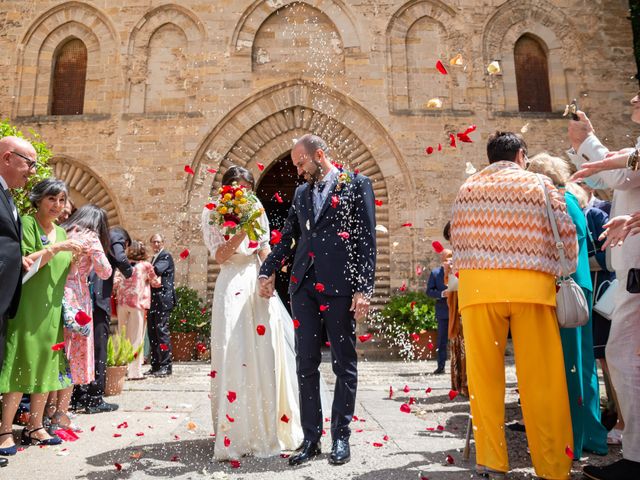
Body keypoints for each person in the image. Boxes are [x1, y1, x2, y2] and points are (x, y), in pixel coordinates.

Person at [450, 132, 576, 479]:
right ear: (522, 155)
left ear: (491, 157)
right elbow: (566, 235)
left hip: (478, 291)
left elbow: (457, 239)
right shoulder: (539, 184)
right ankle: (552, 465)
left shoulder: (468, 188)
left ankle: (492, 460)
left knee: (485, 380)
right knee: (542, 380)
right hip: (530, 287)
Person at [259, 134, 377, 466]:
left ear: (319, 155)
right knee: (305, 364)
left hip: (340, 287)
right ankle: (311, 438)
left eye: (301, 163)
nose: (298, 172)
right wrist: (266, 271)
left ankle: (341, 437)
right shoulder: (301, 193)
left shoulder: (357, 184)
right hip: (303, 288)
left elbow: (366, 240)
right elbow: (287, 239)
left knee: (344, 363)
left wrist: (363, 289)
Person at [202, 166, 303, 461]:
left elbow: (263, 247)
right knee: (233, 351)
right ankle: (236, 432)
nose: (242, 190)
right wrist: (240, 231)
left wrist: (268, 277)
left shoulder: (256, 206)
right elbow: (220, 255)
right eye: (236, 185)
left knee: (263, 351)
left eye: (247, 185)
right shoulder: (212, 211)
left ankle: (267, 428)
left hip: (255, 280)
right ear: (225, 187)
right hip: (231, 281)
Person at [568, 102, 640, 479]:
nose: (631, 100)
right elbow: (605, 177)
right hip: (630, 265)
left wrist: (590, 142)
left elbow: (623, 176)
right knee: (622, 355)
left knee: (622, 354)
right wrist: (585, 145)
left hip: (636, 266)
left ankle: (636, 455)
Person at [527, 153, 608, 459]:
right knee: (582, 364)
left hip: (564, 290)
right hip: (577, 288)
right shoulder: (570, 201)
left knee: (570, 365)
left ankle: (572, 439)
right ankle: (591, 436)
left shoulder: (558, 201)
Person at [0, 178, 84, 454]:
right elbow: (23, 263)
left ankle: (36, 426)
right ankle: (4, 430)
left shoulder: (62, 232)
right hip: (27, 307)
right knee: (19, 363)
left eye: (61, 200)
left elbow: (63, 276)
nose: (57, 206)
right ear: (38, 199)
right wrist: (56, 249)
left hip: (52, 310)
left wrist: (75, 260)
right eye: (51, 199)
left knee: (46, 367)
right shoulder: (27, 224)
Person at [47, 205, 112, 430]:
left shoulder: (62, 230)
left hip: (53, 296)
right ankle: (61, 414)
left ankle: (48, 411)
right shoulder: (90, 236)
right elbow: (105, 271)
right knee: (73, 356)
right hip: (76, 299)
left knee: (56, 354)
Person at [0, 136, 37, 467]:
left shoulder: (9, 197)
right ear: (8, 158)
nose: (33, 171)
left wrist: (18, 260)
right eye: (30, 163)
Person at [72, 226, 133, 413]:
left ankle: (79, 395)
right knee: (99, 348)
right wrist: (129, 271)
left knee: (82, 348)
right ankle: (95, 397)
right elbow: (120, 257)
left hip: (82, 297)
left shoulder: (86, 235)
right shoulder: (116, 234)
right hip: (97, 301)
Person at [113, 240, 159, 380]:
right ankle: (135, 372)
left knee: (123, 335)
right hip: (137, 304)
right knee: (137, 338)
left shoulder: (122, 264)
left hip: (122, 303)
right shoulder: (145, 266)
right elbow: (155, 282)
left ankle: (122, 368)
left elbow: (115, 283)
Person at [442, 223, 467, 396]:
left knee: (466, 348)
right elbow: (452, 285)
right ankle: (460, 384)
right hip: (457, 310)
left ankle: (466, 384)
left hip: (466, 308)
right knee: (458, 346)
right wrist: (448, 272)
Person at [146, 233, 176, 377]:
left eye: (158, 242)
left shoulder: (165, 256)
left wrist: (140, 268)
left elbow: (156, 270)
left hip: (163, 300)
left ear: (163, 242)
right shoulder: (153, 258)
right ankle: (156, 365)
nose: (156, 244)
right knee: (152, 333)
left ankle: (166, 366)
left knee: (161, 332)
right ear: (151, 244)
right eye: (154, 242)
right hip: (153, 301)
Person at [426, 249, 451, 375]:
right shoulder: (436, 273)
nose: (449, 260)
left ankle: (461, 366)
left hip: (457, 311)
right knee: (442, 340)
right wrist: (442, 294)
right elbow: (429, 292)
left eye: (451, 257)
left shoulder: (459, 272)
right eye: (446, 258)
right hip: (443, 312)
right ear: (442, 258)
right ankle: (441, 366)